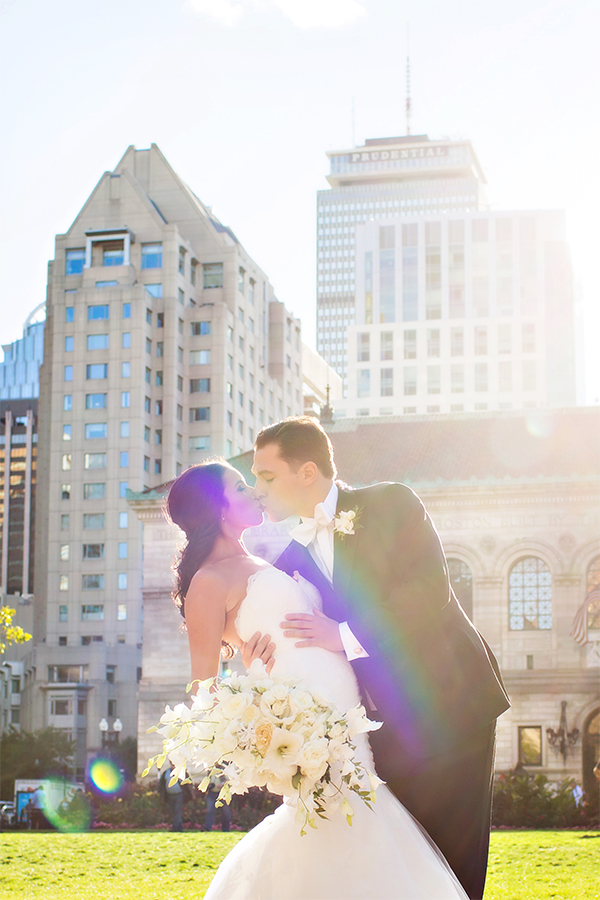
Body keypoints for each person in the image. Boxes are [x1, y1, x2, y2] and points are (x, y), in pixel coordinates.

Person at [165, 459, 469, 900]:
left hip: (345, 712)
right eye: (240, 485)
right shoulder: (208, 583)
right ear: (217, 509)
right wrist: (254, 702)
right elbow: (203, 689)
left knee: (359, 818)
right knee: (338, 820)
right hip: (302, 727)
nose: (253, 490)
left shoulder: (267, 561)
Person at [247, 416, 510, 900]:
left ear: (307, 472)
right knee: (405, 866)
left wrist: (343, 633)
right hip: (380, 732)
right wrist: (254, 650)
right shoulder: (287, 561)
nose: (257, 490)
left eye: (266, 476)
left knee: (454, 865)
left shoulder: (392, 503)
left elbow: (429, 593)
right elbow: (278, 628)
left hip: (452, 708)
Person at [160, 764, 185, 831]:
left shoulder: (181, 772)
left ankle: (175, 827)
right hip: (170, 795)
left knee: (177, 811)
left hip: (179, 794)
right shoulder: (166, 773)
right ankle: (179, 827)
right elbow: (162, 784)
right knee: (173, 811)